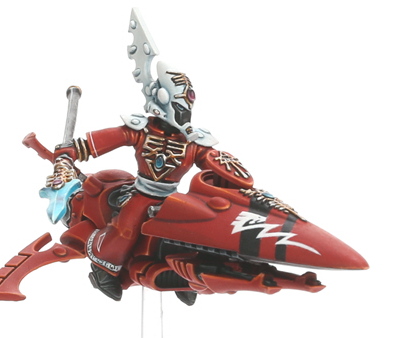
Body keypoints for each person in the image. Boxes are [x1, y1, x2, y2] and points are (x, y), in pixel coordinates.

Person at [49, 63, 253, 301]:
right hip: (142, 194)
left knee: (192, 231)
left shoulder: (193, 142)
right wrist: (71, 152)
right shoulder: (141, 130)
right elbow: (104, 140)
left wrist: (231, 178)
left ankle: (185, 277)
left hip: (173, 198)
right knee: (126, 229)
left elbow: (222, 168)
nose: (182, 112)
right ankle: (104, 268)